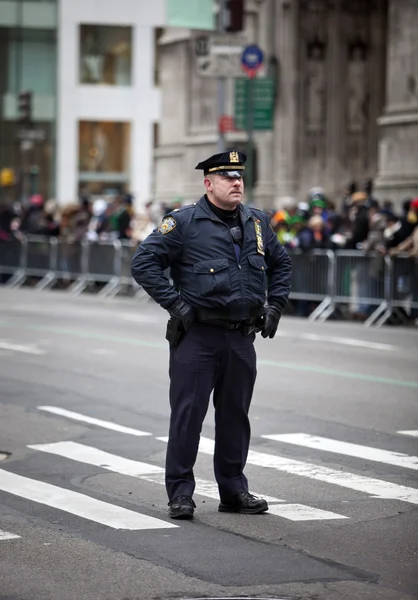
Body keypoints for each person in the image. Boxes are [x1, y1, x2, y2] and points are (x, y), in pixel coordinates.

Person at [131, 150, 292, 520]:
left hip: (240, 337)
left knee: (235, 416)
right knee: (188, 416)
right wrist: (176, 305)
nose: (236, 183)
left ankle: (234, 491)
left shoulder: (256, 222)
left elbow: (281, 263)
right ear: (208, 183)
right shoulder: (185, 223)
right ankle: (181, 494)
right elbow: (144, 262)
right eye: (227, 177)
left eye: (239, 177)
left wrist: (275, 306)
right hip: (198, 336)